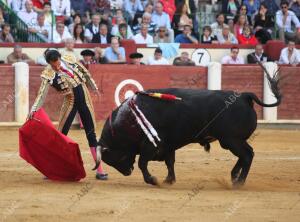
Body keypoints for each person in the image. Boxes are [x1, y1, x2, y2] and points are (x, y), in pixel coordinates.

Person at [28, 49, 108, 180]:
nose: (56, 66)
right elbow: (41, 94)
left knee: (91, 133)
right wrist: (34, 109)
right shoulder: (48, 73)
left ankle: (100, 170)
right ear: (48, 63)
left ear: (60, 57)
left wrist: (94, 88)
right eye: (53, 65)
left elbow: (84, 72)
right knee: (60, 136)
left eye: (57, 62)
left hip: (84, 97)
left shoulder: (69, 58)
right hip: (70, 101)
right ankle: (50, 169)